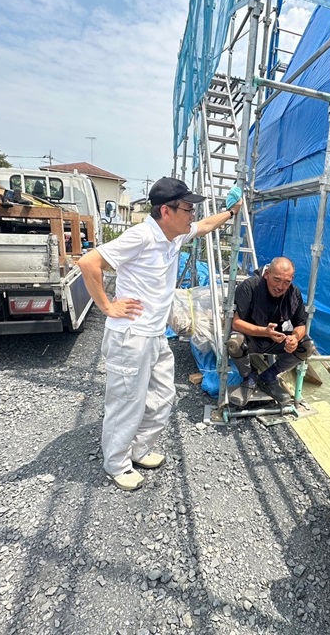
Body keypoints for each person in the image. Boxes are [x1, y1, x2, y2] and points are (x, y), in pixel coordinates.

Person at [78, 177, 241, 491]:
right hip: (130, 337)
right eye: (187, 209)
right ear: (166, 211)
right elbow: (89, 262)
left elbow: (206, 225)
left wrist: (231, 212)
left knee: (163, 396)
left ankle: (138, 449)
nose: (192, 214)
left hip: (154, 335)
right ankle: (116, 463)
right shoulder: (141, 236)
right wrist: (108, 306)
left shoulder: (175, 236)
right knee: (126, 403)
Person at [229, 257, 315, 405]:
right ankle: (249, 378)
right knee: (234, 343)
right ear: (266, 274)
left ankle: (268, 377)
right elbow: (236, 323)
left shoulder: (294, 293)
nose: (280, 286)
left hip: (276, 338)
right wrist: (265, 331)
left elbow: (301, 324)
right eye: (276, 279)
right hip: (251, 337)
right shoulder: (250, 286)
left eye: (286, 282)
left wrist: (294, 338)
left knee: (307, 346)